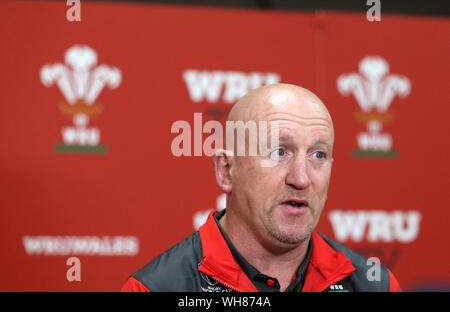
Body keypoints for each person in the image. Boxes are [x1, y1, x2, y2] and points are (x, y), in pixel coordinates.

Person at [121, 83, 402, 292]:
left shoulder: (375, 286)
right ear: (227, 170)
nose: (301, 178)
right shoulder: (154, 289)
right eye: (279, 152)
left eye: (318, 155)